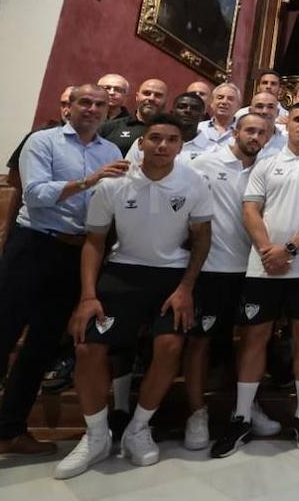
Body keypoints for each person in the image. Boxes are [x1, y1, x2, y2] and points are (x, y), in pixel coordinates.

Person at [0, 85, 126, 485]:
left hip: (76, 253)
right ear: (69, 106)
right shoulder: (42, 141)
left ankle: (9, 430)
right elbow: (36, 194)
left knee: (43, 346)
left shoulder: (111, 152)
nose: (93, 109)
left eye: (100, 105)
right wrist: (90, 181)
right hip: (34, 246)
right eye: (85, 102)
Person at [53, 114, 212, 478]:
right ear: (141, 142)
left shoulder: (194, 182)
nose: (162, 145)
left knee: (170, 346)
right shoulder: (113, 183)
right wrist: (88, 296)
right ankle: (96, 436)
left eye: (171, 140)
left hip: (172, 274)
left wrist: (186, 288)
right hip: (123, 270)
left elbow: (202, 237)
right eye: (155, 138)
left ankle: (139, 428)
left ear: (180, 146)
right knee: (87, 348)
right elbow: (95, 241)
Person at [209, 102, 299, 457]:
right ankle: (240, 417)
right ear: (288, 123)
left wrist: (290, 250)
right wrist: (269, 249)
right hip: (263, 266)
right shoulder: (267, 162)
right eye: (296, 119)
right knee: (254, 337)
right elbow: (250, 208)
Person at [183, 114, 278, 450]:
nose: (255, 136)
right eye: (249, 130)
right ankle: (197, 412)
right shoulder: (204, 164)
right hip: (211, 268)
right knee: (200, 342)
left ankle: (246, 406)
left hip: (253, 268)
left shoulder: (267, 169)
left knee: (253, 339)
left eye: (262, 132)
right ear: (235, 131)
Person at [124, 93, 212, 164]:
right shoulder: (145, 142)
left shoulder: (213, 150)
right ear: (171, 112)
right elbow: (127, 175)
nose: (187, 111)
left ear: (202, 116)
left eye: (194, 108)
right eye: (182, 107)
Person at [99, 78, 169, 155]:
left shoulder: (173, 131)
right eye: (147, 93)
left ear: (166, 100)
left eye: (158, 95)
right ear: (137, 97)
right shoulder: (109, 128)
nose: (151, 98)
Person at [199, 82, 242, 149]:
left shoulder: (242, 132)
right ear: (211, 103)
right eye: (220, 97)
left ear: (238, 106)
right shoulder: (199, 128)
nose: (224, 102)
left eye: (230, 99)